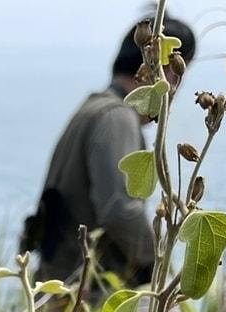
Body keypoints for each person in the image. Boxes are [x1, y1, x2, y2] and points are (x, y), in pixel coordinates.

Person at [22, 16, 197, 288]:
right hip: (86, 294)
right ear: (167, 69)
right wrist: (161, 267)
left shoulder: (93, 108)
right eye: (181, 68)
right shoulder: (117, 118)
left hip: (59, 283)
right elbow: (120, 210)